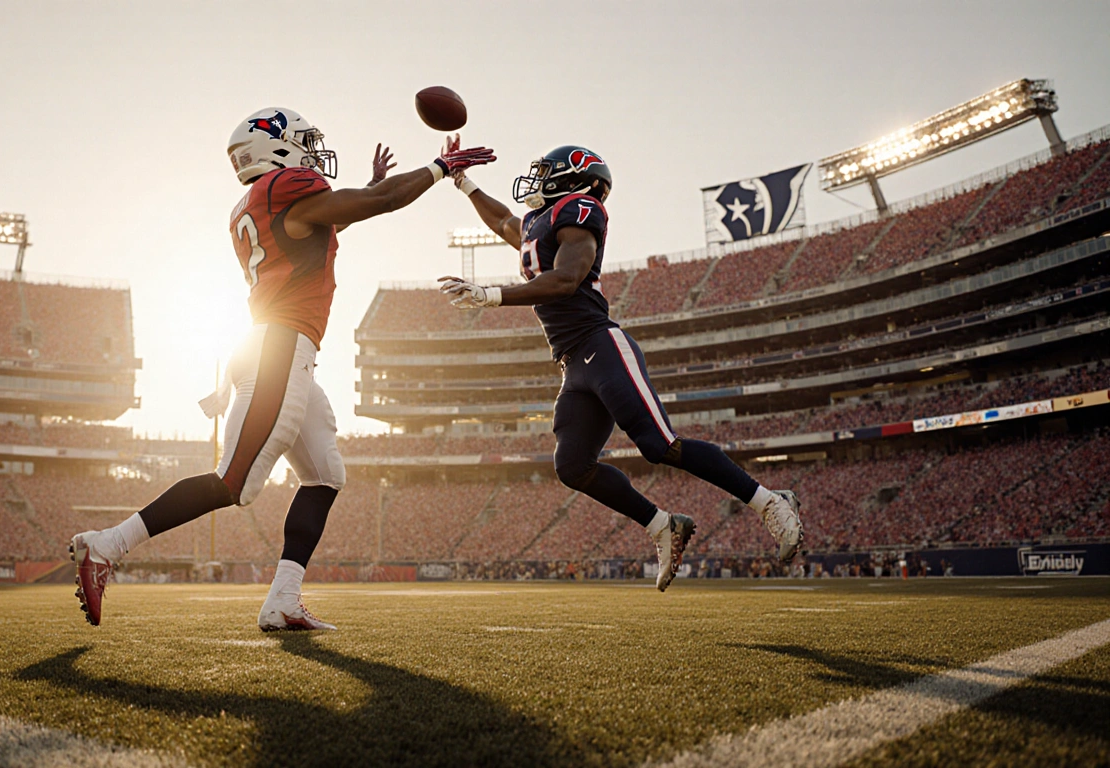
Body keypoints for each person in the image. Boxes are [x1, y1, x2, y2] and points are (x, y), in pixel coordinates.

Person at [71, 108, 495, 630]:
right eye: (304, 143)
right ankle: (106, 545)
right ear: (276, 148)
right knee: (236, 483)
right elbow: (378, 204)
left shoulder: (255, 203)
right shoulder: (286, 187)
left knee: (324, 474)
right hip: (280, 347)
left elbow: (327, 222)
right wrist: (438, 166)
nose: (314, 155)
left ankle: (283, 599)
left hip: (279, 345)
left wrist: (369, 188)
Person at [438, 142, 803, 591]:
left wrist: (492, 295)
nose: (536, 179)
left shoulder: (580, 208)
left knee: (660, 445)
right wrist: (462, 181)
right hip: (573, 361)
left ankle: (770, 502)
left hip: (602, 344)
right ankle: (661, 525)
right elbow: (501, 220)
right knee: (573, 466)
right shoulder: (539, 221)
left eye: (546, 172)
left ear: (576, 179)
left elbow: (567, 279)